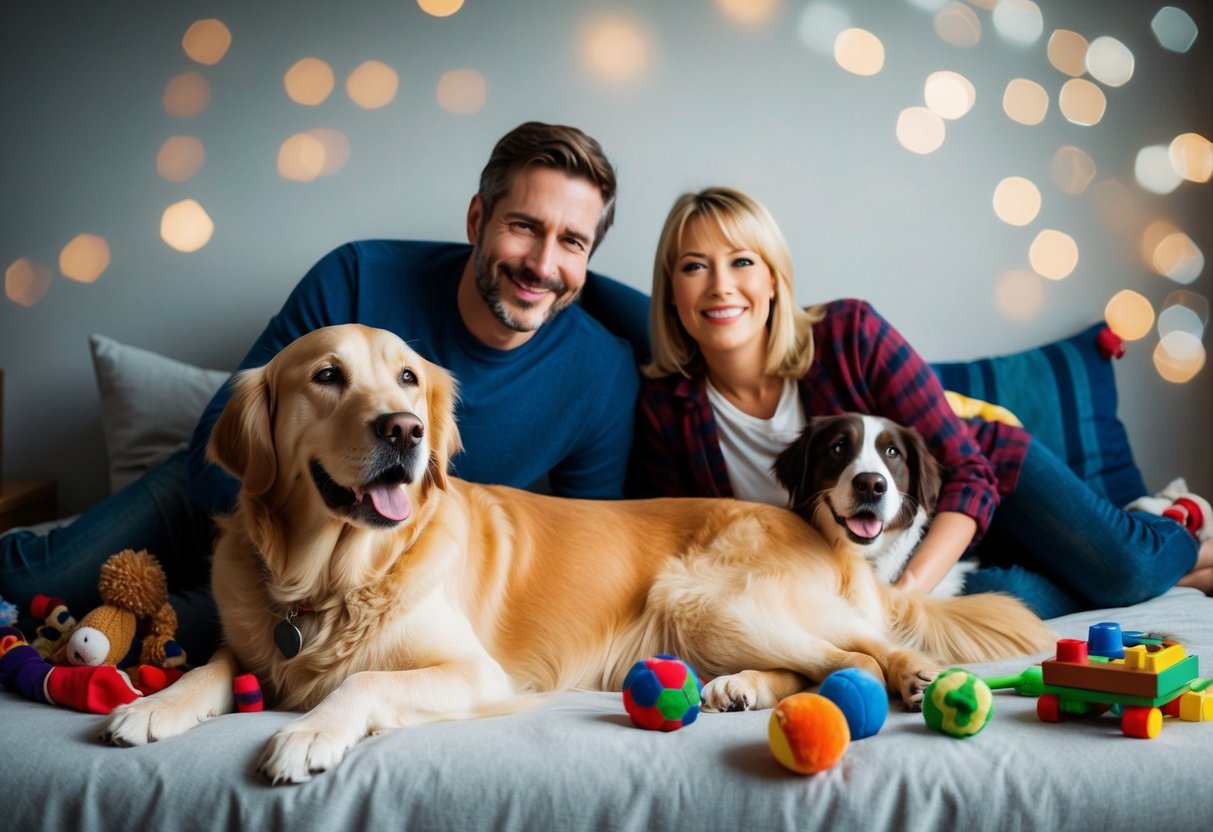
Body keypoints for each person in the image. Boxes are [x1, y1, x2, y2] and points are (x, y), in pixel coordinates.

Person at [0, 122, 642, 659]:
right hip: (232, 493)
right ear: (478, 219)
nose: (542, 263)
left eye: (573, 242)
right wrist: (279, 547)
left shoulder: (602, 372)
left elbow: (586, 538)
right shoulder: (358, 275)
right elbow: (215, 446)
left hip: (356, 570)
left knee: (118, 638)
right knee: (33, 580)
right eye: (525, 227)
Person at [633, 185, 1213, 618]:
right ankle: (1146, 573)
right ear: (672, 291)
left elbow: (967, 470)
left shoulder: (848, 334)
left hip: (988, 483)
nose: (719, 286)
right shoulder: (667, 409)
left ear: (774, 279)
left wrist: (904, 597)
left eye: (741, 261)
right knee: (1013, 600)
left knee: (1127, 572)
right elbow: (679, 538)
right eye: (693, 267)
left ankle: (1172, 520)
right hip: (876, 560)